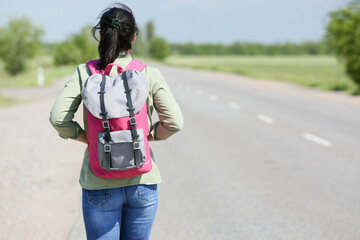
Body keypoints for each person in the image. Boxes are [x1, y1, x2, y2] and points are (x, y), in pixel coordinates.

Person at [49, 3, 183, 239]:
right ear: (134, 36)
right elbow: (174, 121)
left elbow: (58, 118)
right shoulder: (148, 73)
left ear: (101, 34)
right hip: (143, 182)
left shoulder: (85, 73)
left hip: (98, 181)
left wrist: (88, 138)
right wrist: (150, 135)